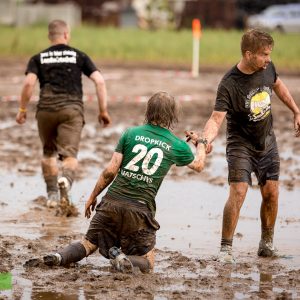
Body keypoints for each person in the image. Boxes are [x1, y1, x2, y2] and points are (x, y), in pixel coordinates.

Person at [43, 91, 206, 273]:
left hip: (111, 201)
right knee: (148, 263)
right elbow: (199, 165)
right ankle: (121, 260)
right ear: (173, 115)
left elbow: (110, 171)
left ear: (148, 111)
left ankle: (60, 257)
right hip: (140, 210)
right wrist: (200, 143)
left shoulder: (130, 133)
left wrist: (93, 196)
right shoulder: (177, 145)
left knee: (88, 243)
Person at [199, 29, 300, 263]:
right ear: (248, 54)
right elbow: (215, 119)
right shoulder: (229, 83)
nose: (269, 59)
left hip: (267, 142)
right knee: (239, 192)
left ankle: (266, 245)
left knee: (272, 193)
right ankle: (225, 250)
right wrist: (205, 141)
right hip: (240, 145)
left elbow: (278, 85)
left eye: (270, 54)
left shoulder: (267, 69)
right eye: (264, 54)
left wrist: (296, 110)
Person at [15, 20, 111, 208]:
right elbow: (99, 81)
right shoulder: (79, 56)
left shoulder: (38, 58)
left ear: (49, 36)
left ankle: (51, 196)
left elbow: (28, 84)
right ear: (66, 34)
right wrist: (103, 111)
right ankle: (65, 180)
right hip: (71, 111)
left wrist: (22, 110)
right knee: (69, 156)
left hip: (46, 111)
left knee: (48, 153)